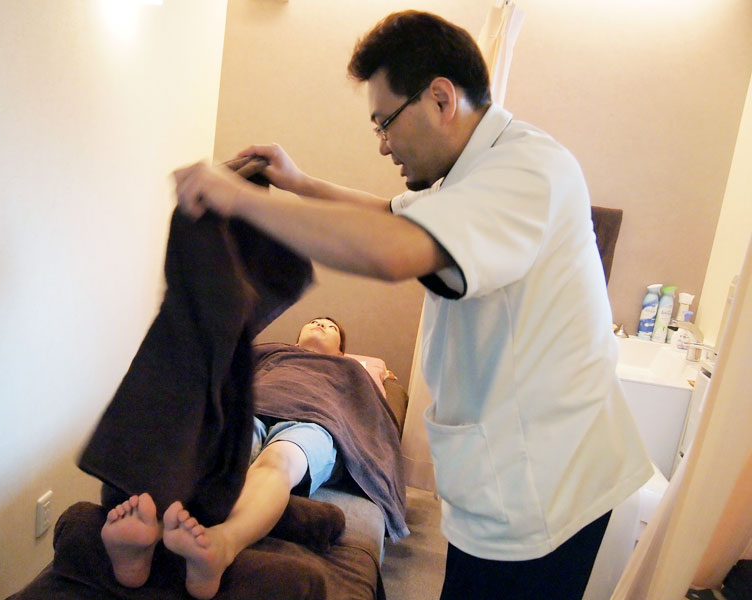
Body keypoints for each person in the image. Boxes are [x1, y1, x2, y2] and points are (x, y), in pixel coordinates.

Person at [172, 9, 653, 600]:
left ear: (441, 99)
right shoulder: (470, 175)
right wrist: (299, 182)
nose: (382, 145)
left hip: (545, 493)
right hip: (505, 479)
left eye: (385, 123)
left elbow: (395, 250)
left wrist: (239, 201)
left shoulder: (527, 170)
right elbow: (390, 213)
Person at [100, 316, 404, 600]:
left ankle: (222, 545)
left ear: (341, 352)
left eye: (330, 326)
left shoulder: (351, 370)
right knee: (210, 459)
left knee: (278, 462)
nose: (320, 325)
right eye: (314, 321)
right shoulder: (272, 353)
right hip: (248, 413)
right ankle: (146, 537)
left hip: (314, 422)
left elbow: (372, 418)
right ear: (296, 340)